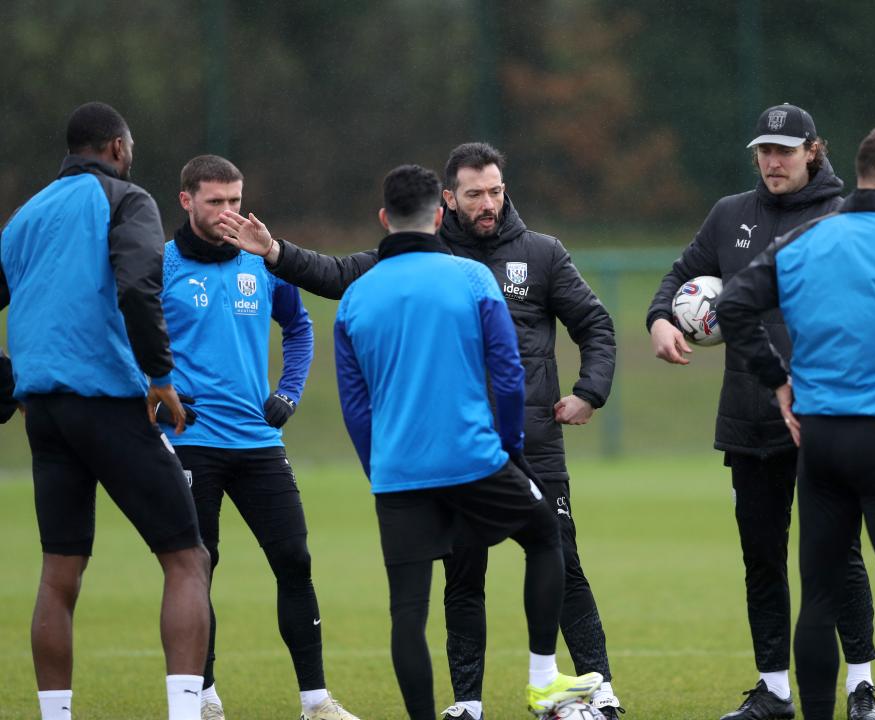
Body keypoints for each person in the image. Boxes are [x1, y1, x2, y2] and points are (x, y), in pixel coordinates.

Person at [216, 142, 620, 720]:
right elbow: (333, 273)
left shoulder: (543, 254)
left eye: (497, 190)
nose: (488, 203)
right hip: (467, 451)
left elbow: (595, 324)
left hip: (529, 444)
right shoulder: (425, 263)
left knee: (563, 560)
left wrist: (588, 391)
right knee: (463, 578)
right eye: (475, 193)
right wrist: (276, 252)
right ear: (446, 202)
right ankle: (468, 703)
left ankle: (598, 688)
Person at [333, 162, 601, 719]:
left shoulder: (358, 296)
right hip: (476, 460)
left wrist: (377, 468)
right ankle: (543, 678)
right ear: (440, 213)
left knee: (408, 610)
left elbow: (355, 405)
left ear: (384, 219)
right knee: (546, 535)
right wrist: (511, 451)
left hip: (398, 473)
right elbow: (506, 375)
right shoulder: (472, 278)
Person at [718, 124, 875, 720]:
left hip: (819, 442)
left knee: (819, 601)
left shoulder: (807, 237)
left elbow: (732, 305)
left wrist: (778, 379)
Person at [646, 104, 875, 720]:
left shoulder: (845, 214)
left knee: (837, 553)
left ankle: (862, 688)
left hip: (829, 417)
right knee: (762, 558)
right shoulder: (730, 215)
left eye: (785, 149)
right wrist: (661, 319)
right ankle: (774, 692)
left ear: (813, 150)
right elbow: (678, 276)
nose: (772, 161)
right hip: (749, 420)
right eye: (764, 150)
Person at [0, 101, 210, 720]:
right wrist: (162, 376)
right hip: (110, 405)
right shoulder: (126, 200)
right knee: (186, 558)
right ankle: (184, 712)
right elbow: (139, 282)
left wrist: (7, 383)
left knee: (59, 573)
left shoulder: (23, 217)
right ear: (117, 148)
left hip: (45, 415)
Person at [158, 155, 360, 720]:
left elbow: (298, 328)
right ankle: (203, 695)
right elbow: (130, 339)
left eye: (235, 201)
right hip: (190, 440)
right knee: (197, 568)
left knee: (294, 559)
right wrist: (160, 390)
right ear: (186, 201)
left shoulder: (262, 257)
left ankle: (316, 702)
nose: (229, 213)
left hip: (259, 442)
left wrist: (289, 392)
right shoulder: (162, 265)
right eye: (215, 201)